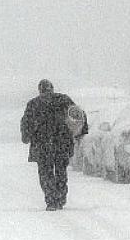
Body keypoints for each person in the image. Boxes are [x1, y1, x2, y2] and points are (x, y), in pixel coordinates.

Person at [20, 79, 88, 211]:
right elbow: (78, 114)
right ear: (52, 88)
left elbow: (26, 123)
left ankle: (50, 199)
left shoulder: (34, 104)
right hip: (61, 143)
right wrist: (80, 132)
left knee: (46, 173)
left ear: (40, 90)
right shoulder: (64, 100)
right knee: (61, 171)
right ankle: (61, 198)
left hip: (42, 145)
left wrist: (26, 137)